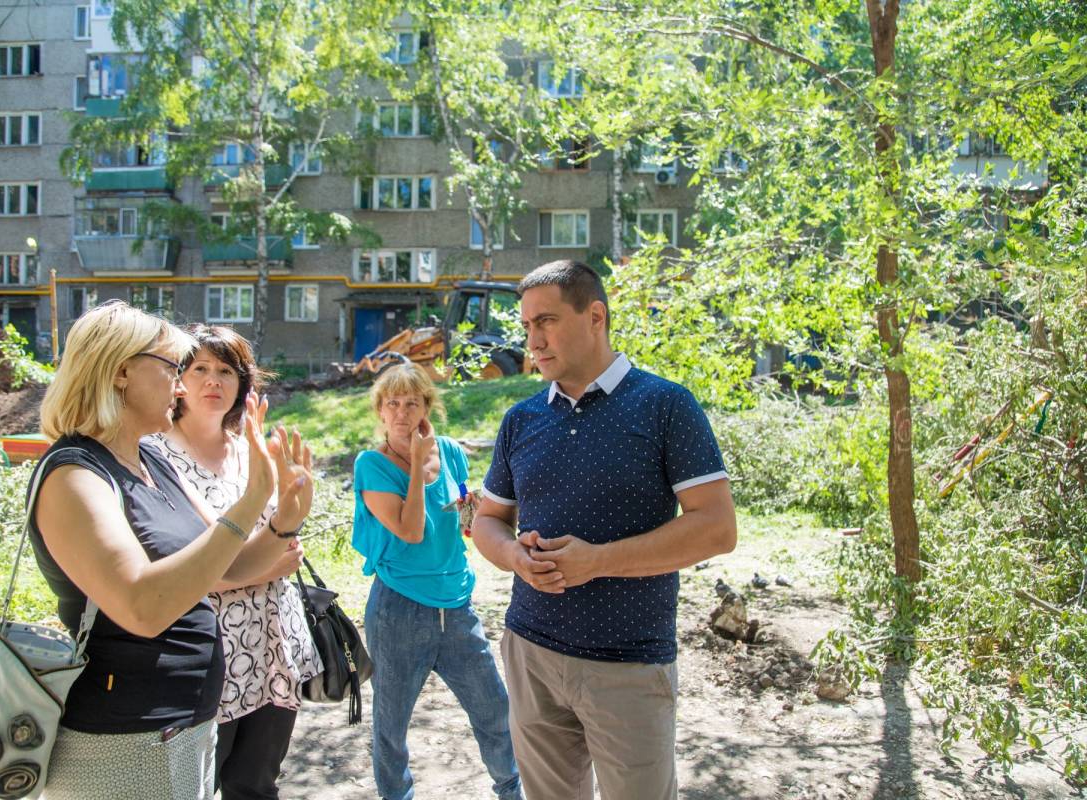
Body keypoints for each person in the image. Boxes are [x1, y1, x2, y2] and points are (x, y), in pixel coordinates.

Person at [471, 260, 738, 800]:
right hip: (530, 655)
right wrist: (514, 558)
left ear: (595, 315)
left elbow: (716, 529)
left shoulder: (665, 405)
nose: (534, 340)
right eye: (526, 327)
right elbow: (487, 523)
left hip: (629, 665)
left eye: (545, 321)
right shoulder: (521, 419)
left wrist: (598, 560)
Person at [28, 301, 313, 800]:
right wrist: (250, 503)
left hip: (184, 724)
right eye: (172, 368)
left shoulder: (147, 460)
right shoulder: (74, 474)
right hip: (125, 737)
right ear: (120, 373)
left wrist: (287, 514)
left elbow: (233, 561)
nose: (181, 386)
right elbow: (142, 607)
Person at [147, 323, 322, 800]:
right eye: (199, 368)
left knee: (257, 785)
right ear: (177, 380)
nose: (213, 381)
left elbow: (288, 541)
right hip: (205, 658)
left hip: (270, 649)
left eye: (226, 370)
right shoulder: (154, 455)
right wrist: (266, 564)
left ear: (243, 384)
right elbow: (191, 568)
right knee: (193, 787)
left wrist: (288, 514)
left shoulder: (253, 450)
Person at [352, 362, 523, 800]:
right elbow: (410, 531)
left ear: (428, 406)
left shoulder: (448, 450)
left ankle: (512, 792)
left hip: (457, 605)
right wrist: (414, 466)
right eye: (393, 403)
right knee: (391, 726)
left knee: (495, 711)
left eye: (413, 402)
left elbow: (465, 514)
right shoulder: (371, 465)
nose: (403, 412)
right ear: (380, 411)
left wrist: (484, 513)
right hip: (399, 610)